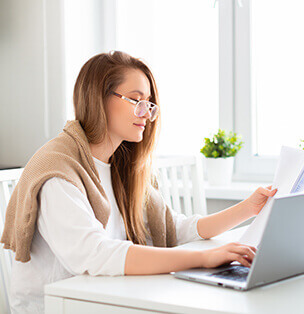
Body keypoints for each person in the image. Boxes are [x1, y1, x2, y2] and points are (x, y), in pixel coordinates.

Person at [3, 51, 277, 314]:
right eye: (136, 100)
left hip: (108, 296)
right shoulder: (58, 171)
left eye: (149, 103)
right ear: (98, 98)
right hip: (61, 306)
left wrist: (248, 208)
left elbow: (172, 229)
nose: (146, 113)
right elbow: (93, 254)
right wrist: (204, 258)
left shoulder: (122, 165)